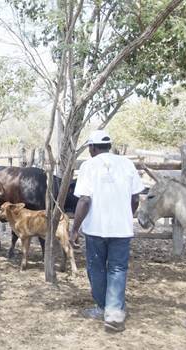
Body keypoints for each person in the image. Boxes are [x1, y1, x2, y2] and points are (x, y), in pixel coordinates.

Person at [70, 129, 144, 333]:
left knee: (97, 268)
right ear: (109, 146)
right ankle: (114, 312)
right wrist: (125, 216)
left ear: (92, 148)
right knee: (118, 269)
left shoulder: (89, 166)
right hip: (122, 230)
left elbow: (84, 200)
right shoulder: (127, 164)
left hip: (96, 229)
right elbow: (136, 198)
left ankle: (104, 308)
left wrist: (74, 228)